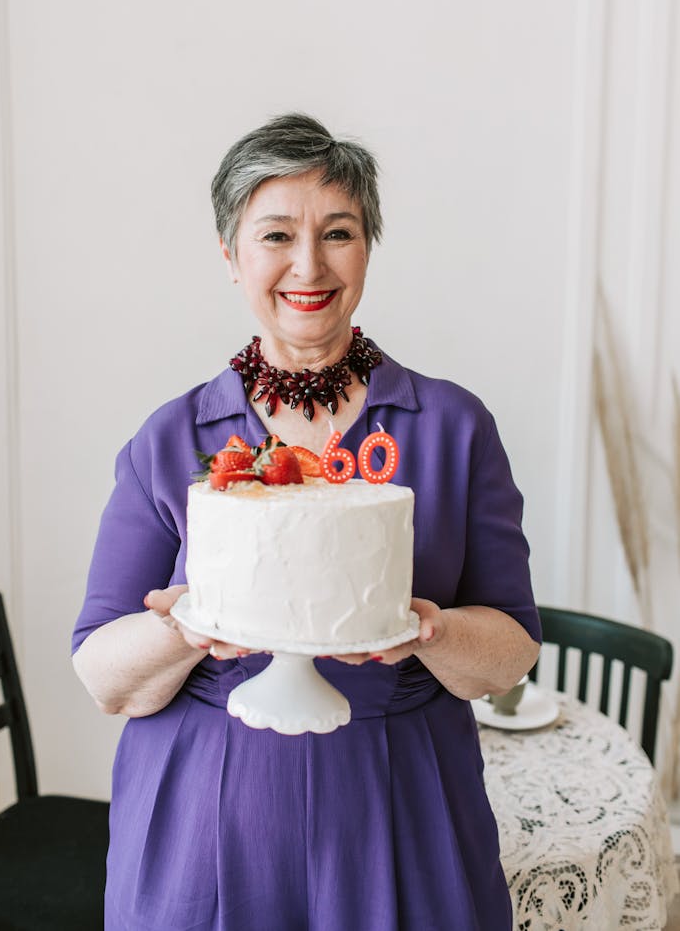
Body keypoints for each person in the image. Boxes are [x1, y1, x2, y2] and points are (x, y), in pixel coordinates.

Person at [72, 113, 541, 931]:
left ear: (369, 248)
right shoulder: (172, 438)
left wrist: (430, 632)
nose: (308, 265)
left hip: (405, 812)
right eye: (276, 234)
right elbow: (105, 676)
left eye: (338, 232)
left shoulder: (454, 427)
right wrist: (188, 621)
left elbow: (511, 652)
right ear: (232, 255)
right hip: (205, 824)